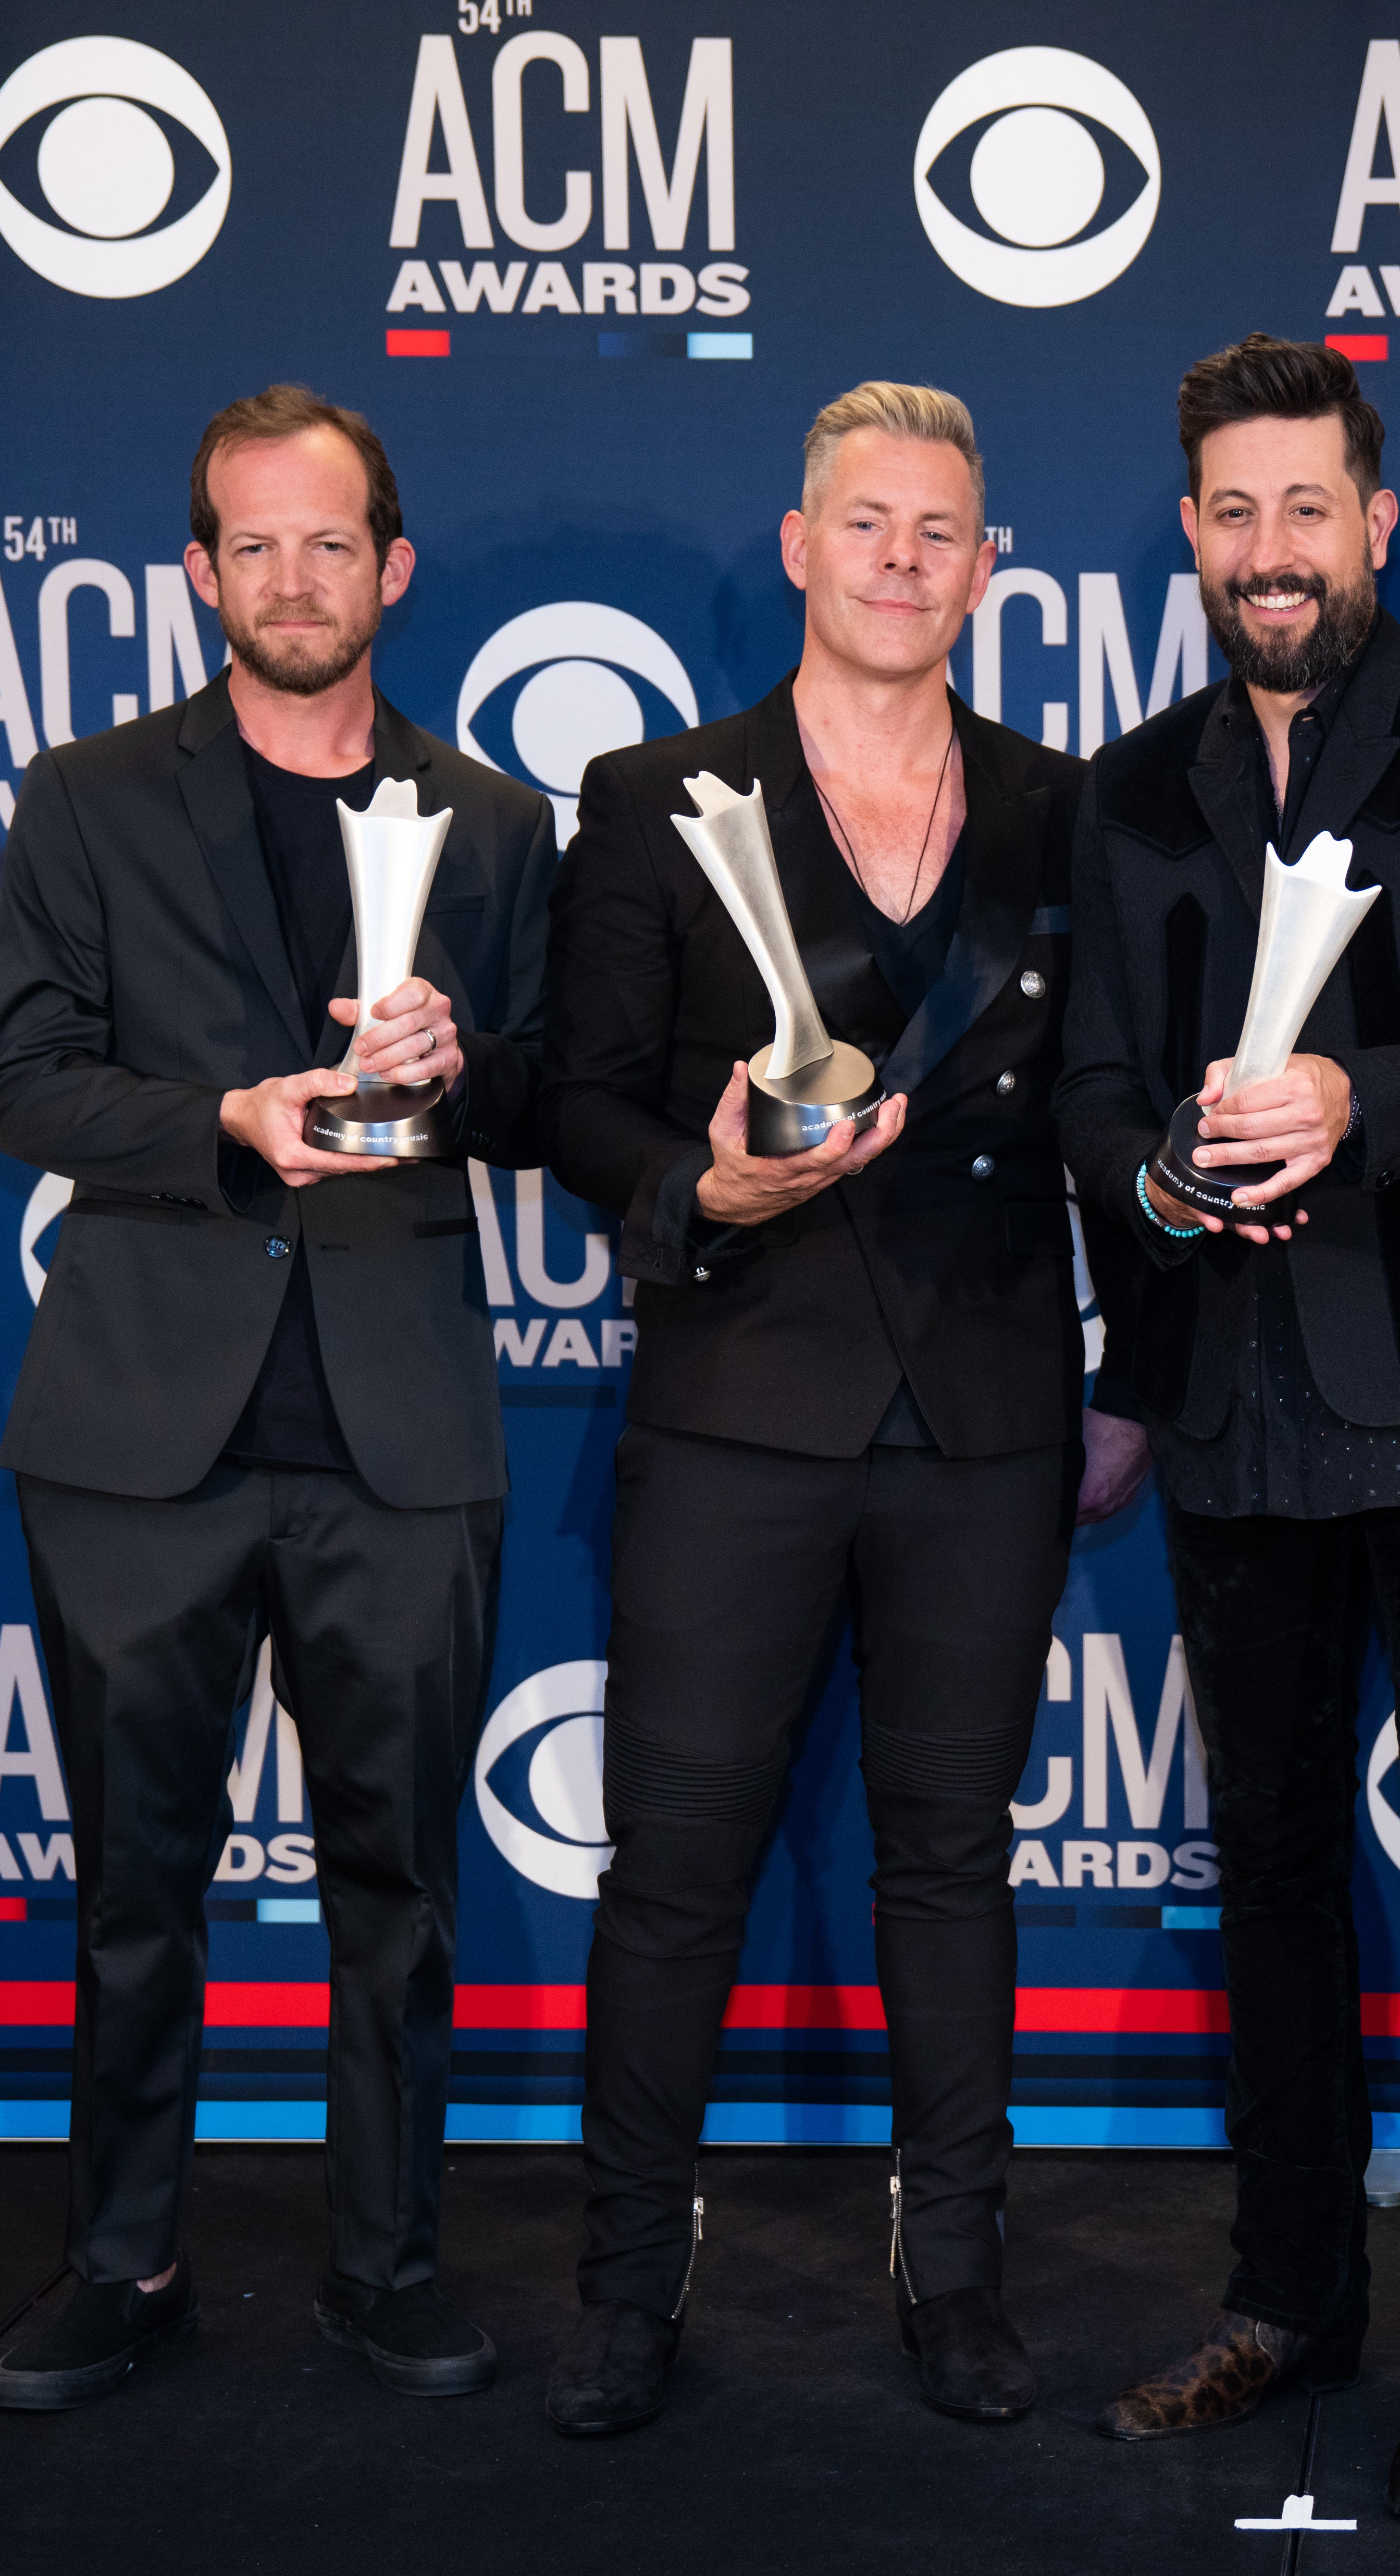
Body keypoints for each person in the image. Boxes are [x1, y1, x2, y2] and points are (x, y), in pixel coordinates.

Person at [1055, 334, 1400, 2522]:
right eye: (1233, 511)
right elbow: (1100, 1098)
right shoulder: (1128, 789)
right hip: (1228, 1412)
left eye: (1309, 509)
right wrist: (1157, 1178)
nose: (1270, 551)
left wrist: (1353, 1106)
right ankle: (1286, 2293)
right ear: (1190, 530)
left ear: (1375, 525)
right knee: (1270, 1874)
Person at [534, 384, 1143, 2438]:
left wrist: (1128, 1373)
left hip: (984, 1410)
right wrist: (693, 1184)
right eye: (863, 520)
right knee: (674, 1867)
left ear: (987, 569)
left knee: (952, 1858)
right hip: (736, 1400)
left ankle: (952, 2263)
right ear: (796, 546)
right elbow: (573, 1091)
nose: (898, 555)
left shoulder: (1073, 813)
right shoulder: (651, 794)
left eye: (938, 528)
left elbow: (1103, 1117)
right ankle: (629, 2280)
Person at [0, 384, 554, 2409]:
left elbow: (558, 1088)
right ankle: (122, 2260)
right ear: (201, 570)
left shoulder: (491, 823)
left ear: (391, 567)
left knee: (399, 1882)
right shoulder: (88, 797)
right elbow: (21, 1080)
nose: (293, 579)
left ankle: (386, 2257)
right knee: (139, 1876)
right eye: (254, 544)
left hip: (397, 1437)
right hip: (139, 1434)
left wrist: (466, 1057)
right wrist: (220, 1116)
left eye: (332, 543)